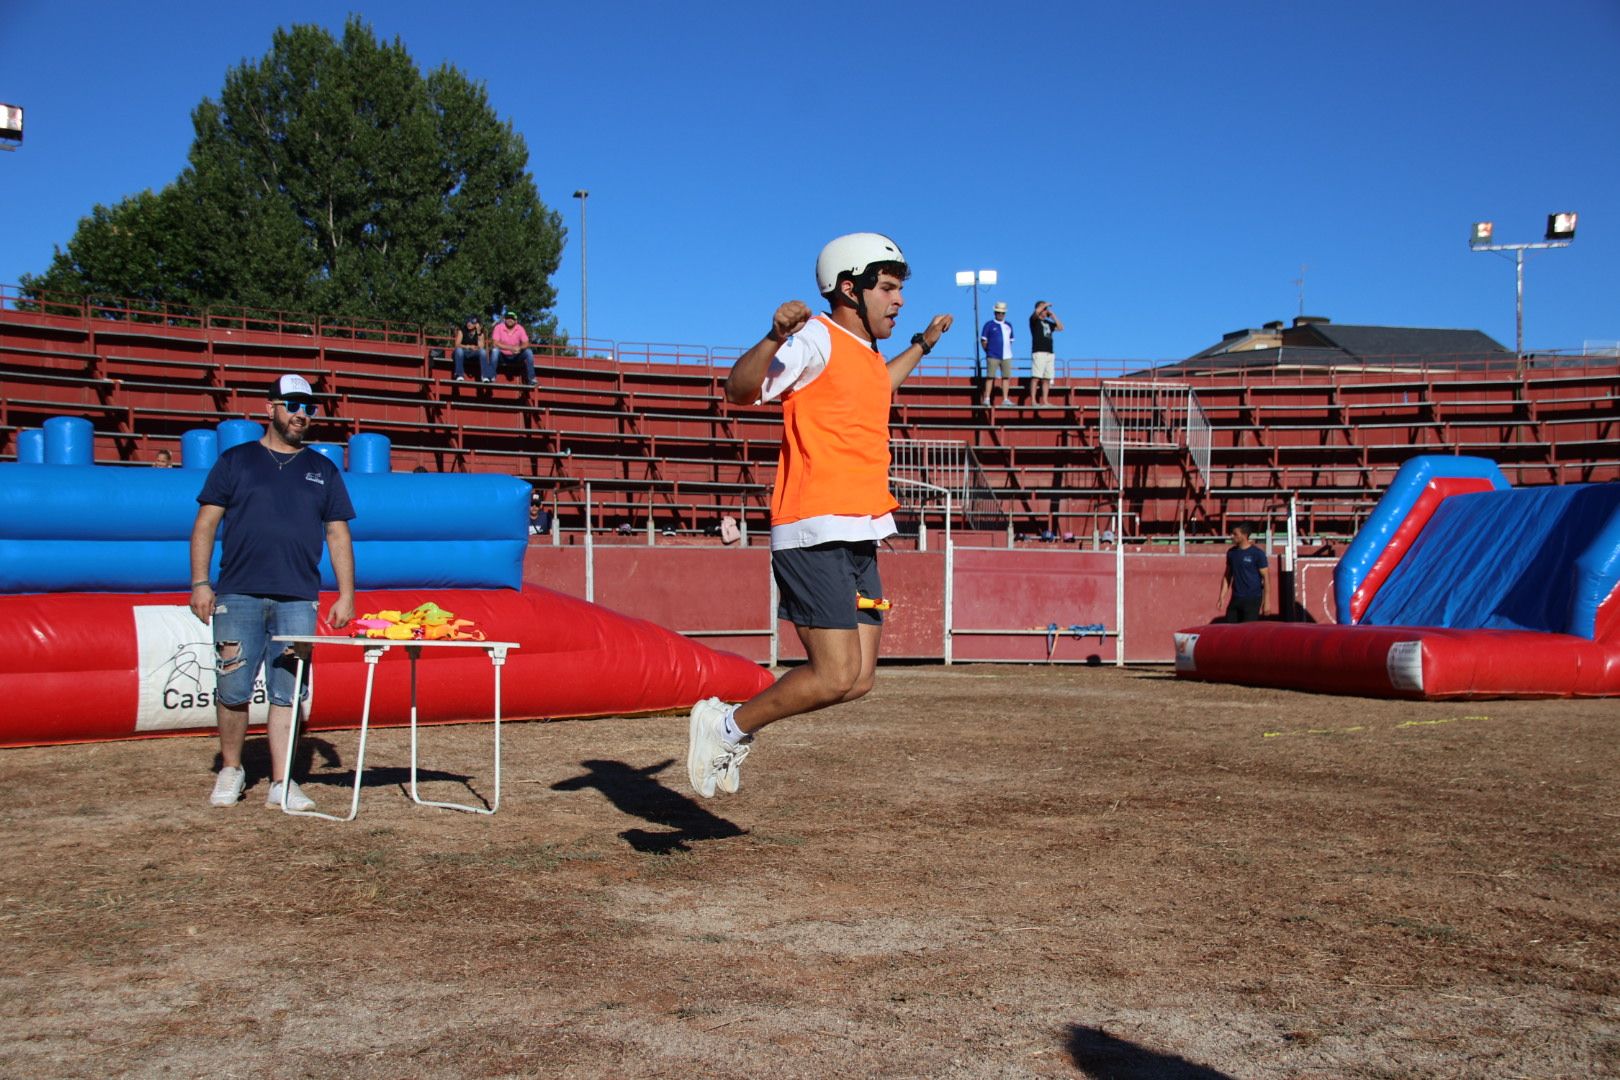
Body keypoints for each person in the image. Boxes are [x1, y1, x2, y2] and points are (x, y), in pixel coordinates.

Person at [686, 232, 952, 798]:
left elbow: (880, 385)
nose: (898, 300)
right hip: (814, 530)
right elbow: (738, 390)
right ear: (849, 289)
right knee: (832, 673)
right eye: (887, 288)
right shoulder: (814, 338)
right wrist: (772, 336)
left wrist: (923, 346)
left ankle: (730, 725)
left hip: (861, 532)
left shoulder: (866, 354)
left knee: (857, 681)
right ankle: (726, 727)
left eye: (900, 289)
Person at [189, 374, 357, 811]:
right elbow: (205, 524)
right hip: (238, 593)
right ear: (270, 409)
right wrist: (200, 583)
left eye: (308, 407)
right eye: (292, 404)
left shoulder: (323, 470)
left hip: (298, 598)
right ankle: (232, 768)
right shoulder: (236, 461)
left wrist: (346, 594)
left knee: (289, 689)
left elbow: (338, 534)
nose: (301, 413)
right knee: (233, 686)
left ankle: (282, 782)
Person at [1217, 524, 1269, 623]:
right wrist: (1221, 597)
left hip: (1252, 598)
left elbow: (1266, 577)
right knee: (1230, 627)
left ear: (1244, 535)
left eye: (1235, 534)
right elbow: (1227, 576)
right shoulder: (1231, 553)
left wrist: (1267, 601)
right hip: (1236, 597)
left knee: (1248, 630)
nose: (1232, 536)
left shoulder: (1257, 553)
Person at [1027, 300, 1064, 407]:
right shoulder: (1034, 321)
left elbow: (1061, 328)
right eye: (1043, 309)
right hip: (1039, 351)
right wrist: (1044, 305)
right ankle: (1034, 401)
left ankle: (1045, 401)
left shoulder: (1048, 323)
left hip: (1049, 353)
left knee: (1047, 378)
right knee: (1036, 377)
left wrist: (1053, 316)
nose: (1045, 311)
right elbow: (1035, 313)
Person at [980, 300, 1014, 407]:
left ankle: (1005, 398)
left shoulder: (1009, 325)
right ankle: (987, 398)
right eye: (999, 312)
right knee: (990, 376)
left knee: (1006, 377)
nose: (1001, 314)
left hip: (1007, 355)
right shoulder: (989, 325)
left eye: (1003, 313)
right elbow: (983, 340)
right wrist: (989, 351)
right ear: (995, 312)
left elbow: (1011, 340)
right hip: (993, 355)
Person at [490, 310, 535, 384]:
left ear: (516, 321)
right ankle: (491, 377)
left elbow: (526, 343)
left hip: (516, 356)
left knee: (529, 352)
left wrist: (520, 348)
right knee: (495, 351)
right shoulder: (498, 327)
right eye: (508, 318)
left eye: (512, 318)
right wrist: (511, 348)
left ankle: (531, 379)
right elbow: (495, 343)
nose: (510, 320)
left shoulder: (520, 328)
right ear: (504, 319)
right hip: (502, 356)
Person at [451, 315, 491, 382]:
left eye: (472, 322)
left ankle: (485, 376)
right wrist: (469, 346)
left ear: (477, 324)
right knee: (459, 350)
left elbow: (481, 347)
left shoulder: (480, 333)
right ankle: (459, 375)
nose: (469, 323)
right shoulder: (462, 331)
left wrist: (478, 332)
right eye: (467, 321)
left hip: (474, 354)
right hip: (463, 352)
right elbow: (457, 345)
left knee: (483, 352)